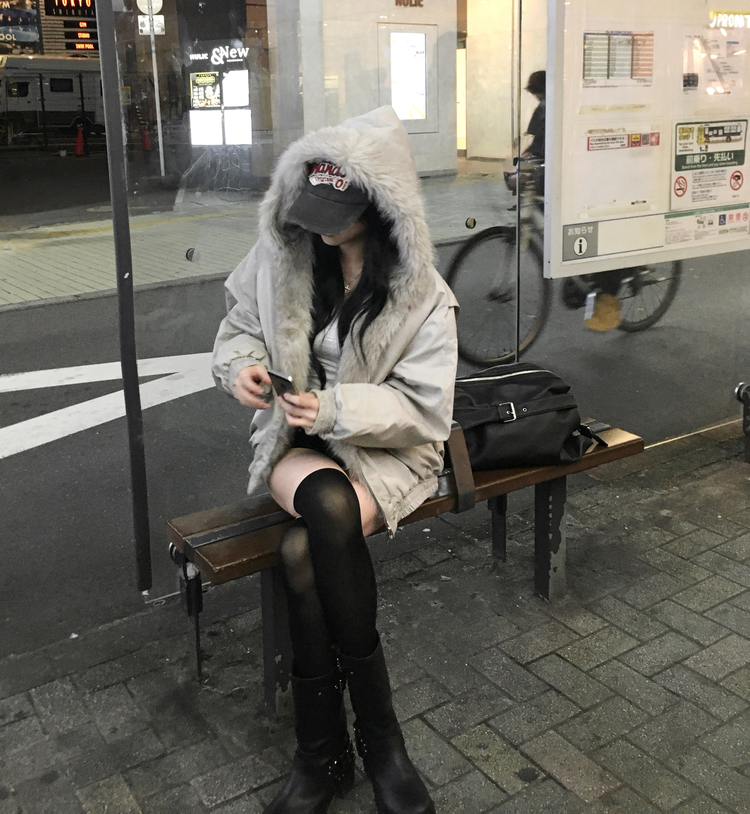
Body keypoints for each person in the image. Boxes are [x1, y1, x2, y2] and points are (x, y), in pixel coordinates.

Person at [211, 106, 458, 814]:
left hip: (388, 451)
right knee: (325, 502)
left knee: (302, 549)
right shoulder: (284, 254)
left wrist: (335, 408)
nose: (319, 228)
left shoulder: (421, 295)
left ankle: (325, 755)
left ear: (381, 208)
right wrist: (242, 369)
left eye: (337, 216)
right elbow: (237, 328)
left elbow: (424, 410)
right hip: (300, 444)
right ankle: (383, 747)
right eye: (311, 210)